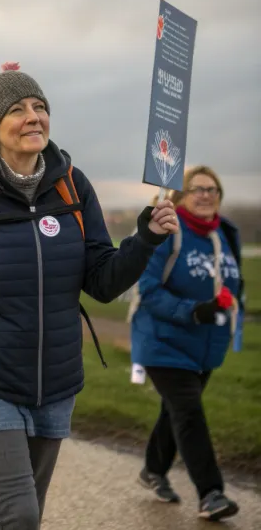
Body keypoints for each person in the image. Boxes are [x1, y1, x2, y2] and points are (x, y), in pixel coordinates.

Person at [0, 63, 178, 529]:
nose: (34, 116)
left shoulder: (73, 185)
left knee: (25, 515)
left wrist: (145, 239)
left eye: (40, 107)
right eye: (17, 109)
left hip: (55, 385)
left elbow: (103, 282)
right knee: (19, 514)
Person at [131, 166, 242, 521]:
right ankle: (211, 494)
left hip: (205, 344)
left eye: (213, 189)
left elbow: (233, 282)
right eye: (198, 189)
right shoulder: (167, 231)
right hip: (162, 340)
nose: (206, 195)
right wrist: (194, 310)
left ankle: (152, 469)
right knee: (189, 412)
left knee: (176, 411)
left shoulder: (225, 233)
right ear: (181, 195)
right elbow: (146, 289)